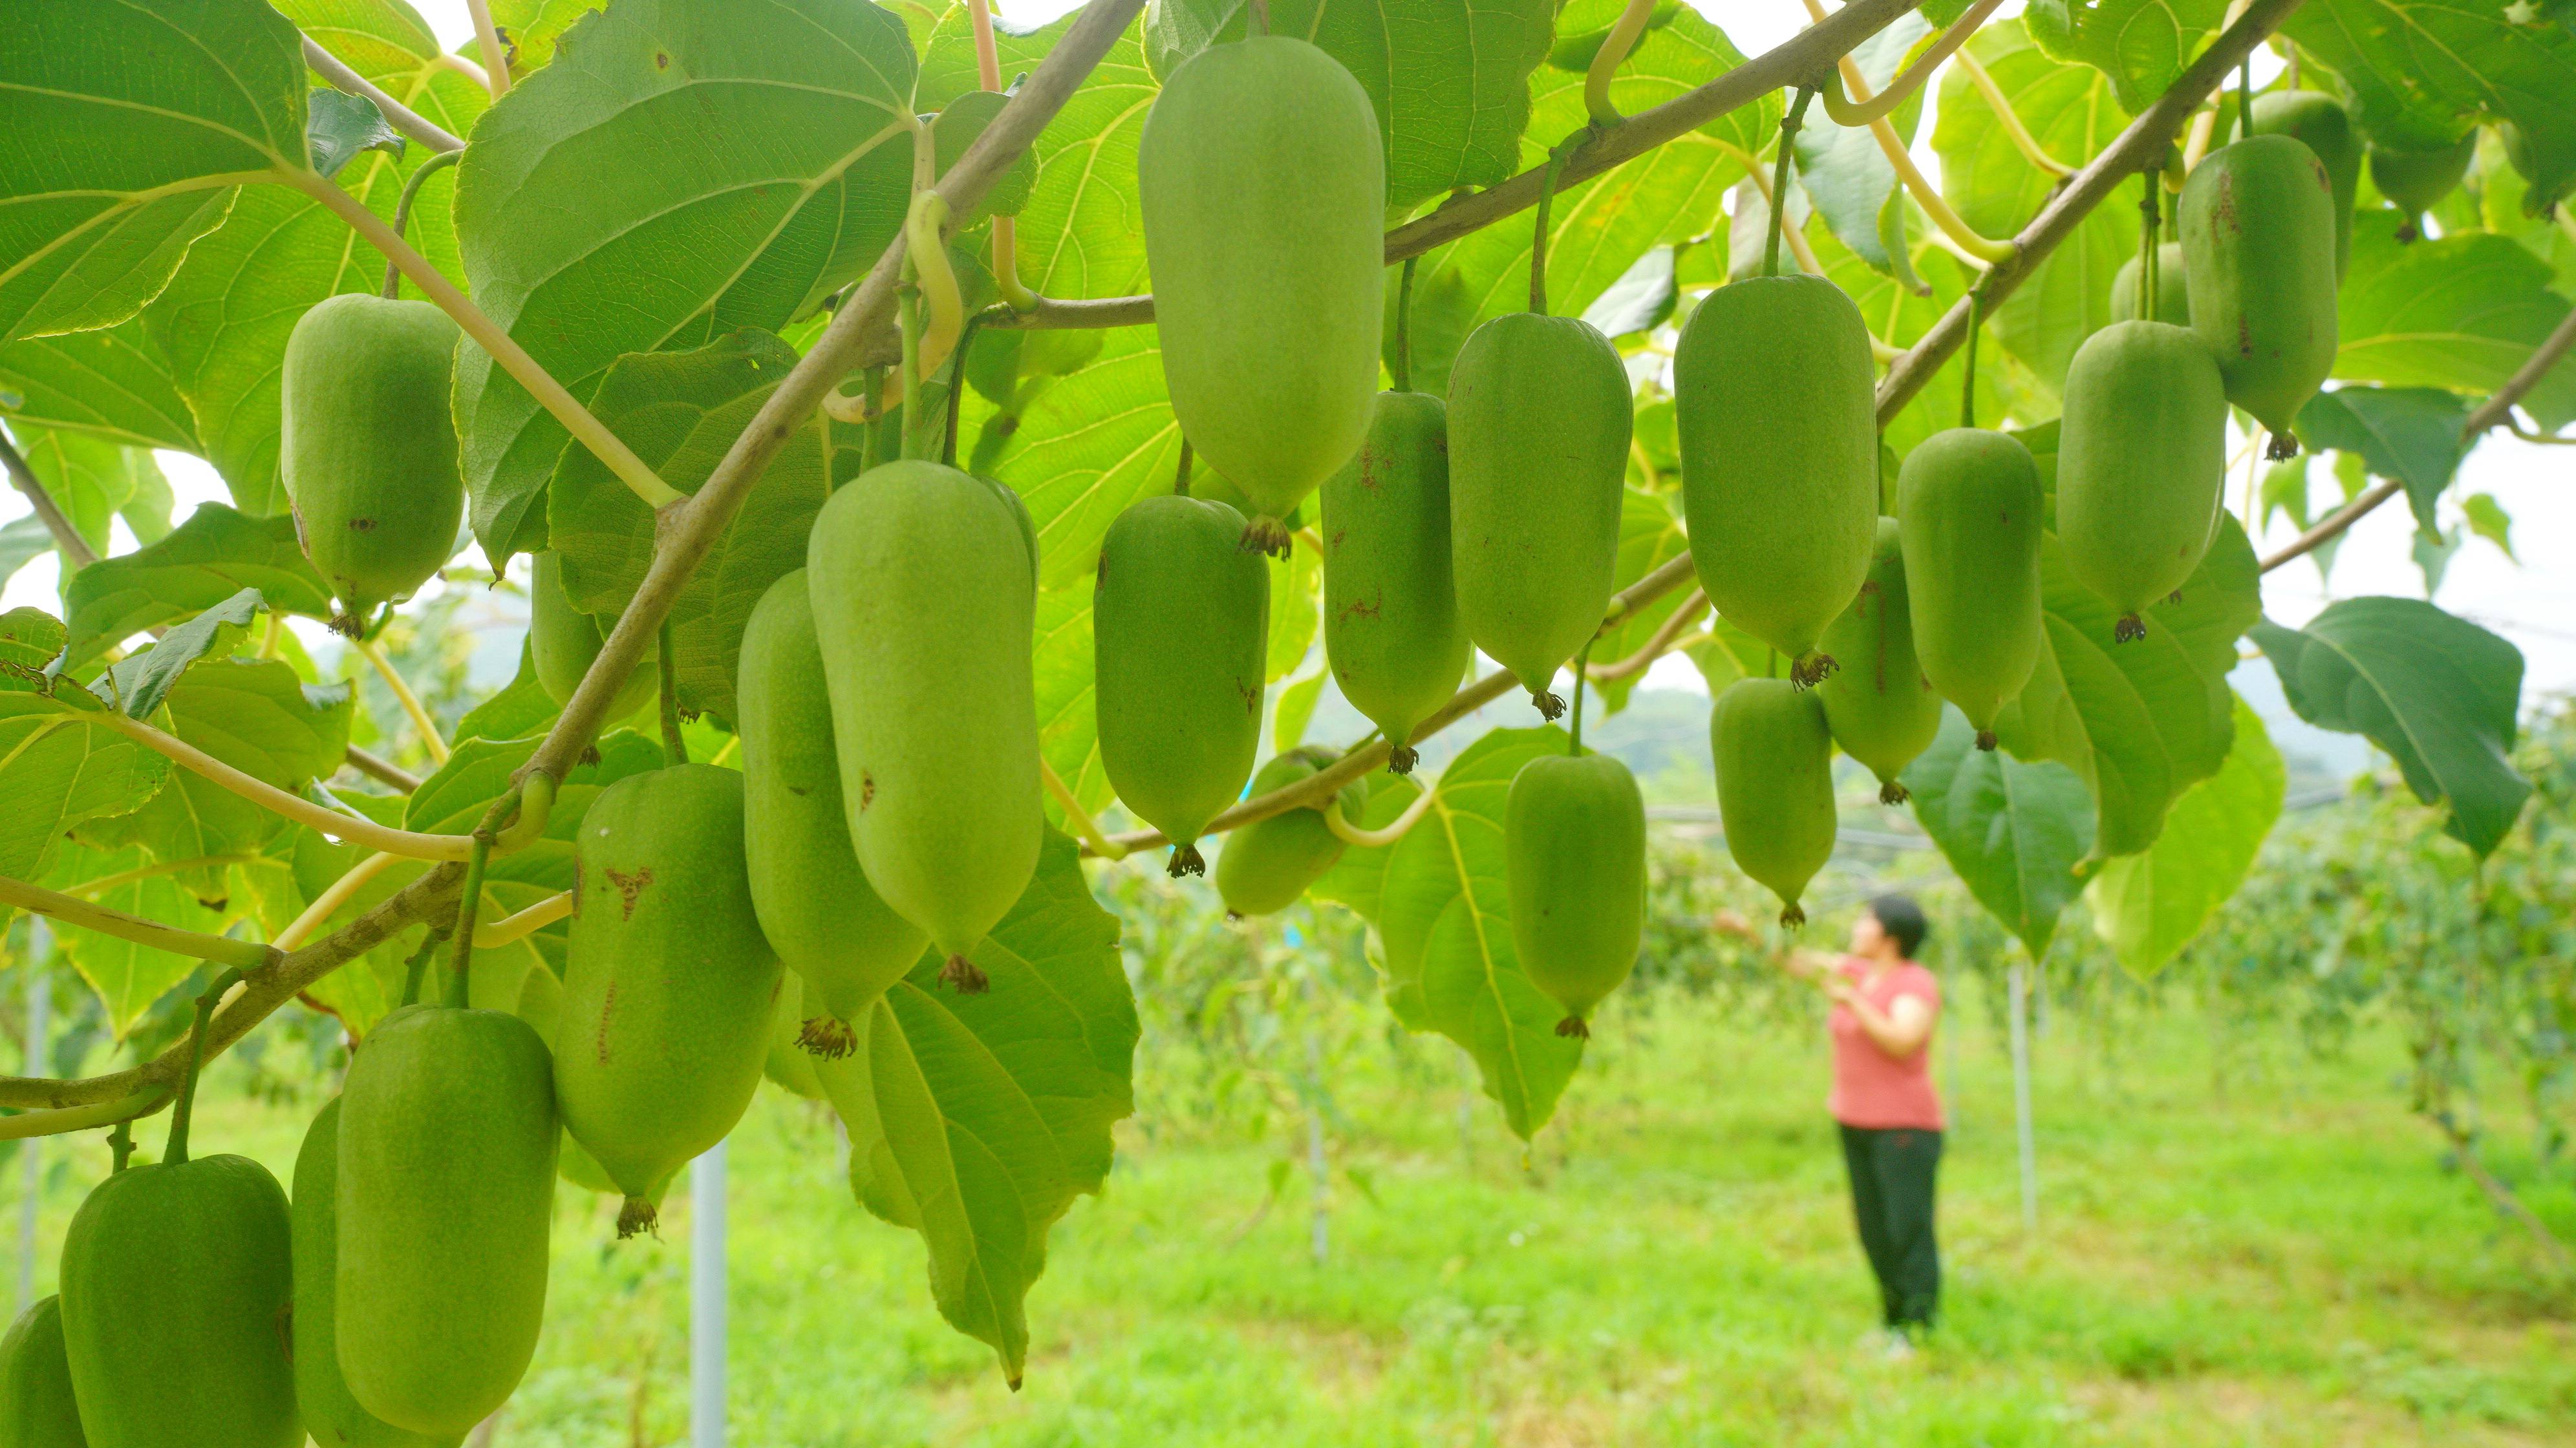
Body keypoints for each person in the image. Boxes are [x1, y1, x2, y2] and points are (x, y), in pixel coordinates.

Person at [1717, 895, 1944, 1350]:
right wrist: (1748, 931)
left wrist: (1853, 1003)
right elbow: (1794, 959)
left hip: (1902, 1129)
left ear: (1889, 936)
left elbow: (1902, 1040)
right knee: (1874, 1228)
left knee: (1907, 1228)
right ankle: (1893, 1320)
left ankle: (1917, 1328)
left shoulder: (1913, 984)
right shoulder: (1857, 972)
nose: (1857, 927)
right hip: (1856, 1122)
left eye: (1867, 921)